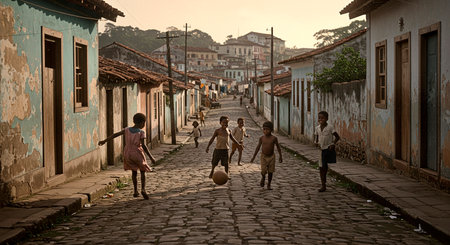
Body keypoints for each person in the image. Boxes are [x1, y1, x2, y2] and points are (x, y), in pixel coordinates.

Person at [98, 113, 156, 199]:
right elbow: (144, 146)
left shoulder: (127, 130)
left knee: (134, 172)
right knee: (143, 171)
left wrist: (104, 141)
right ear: (142, 123)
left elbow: (115, 135)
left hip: (127, 153)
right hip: (137, 153)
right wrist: (151, 157)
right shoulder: (141, 132)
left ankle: (135, 191)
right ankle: (143, 189)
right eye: (144, 123)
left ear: (133, 121)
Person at [250, 121, 282, 190]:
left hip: (271, 157)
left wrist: (280, 156)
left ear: (271, 130)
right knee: (263, 170)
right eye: (264, 129)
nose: (265, 131)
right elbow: (258, 147)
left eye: (267, 129)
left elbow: (278, 148)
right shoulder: (262, 138)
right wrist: (253, 157)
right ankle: (263, 177)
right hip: (263, 156)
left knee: (271, 171)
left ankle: (269, 184)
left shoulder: (274, 138)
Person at [314, 111, 340, 192]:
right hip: (321, 150)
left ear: (327, 119)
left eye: (322, 118)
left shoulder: (330, 127)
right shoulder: (317, 128)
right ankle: (323, 184)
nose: (320, 119)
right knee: (321, 167)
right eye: (319, 118)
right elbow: (316, 137)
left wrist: (333, 144)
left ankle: (323, 183)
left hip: (328, 149)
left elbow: (337, 137)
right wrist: (316, 142)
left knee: (324, 167)